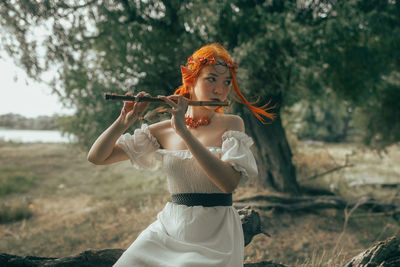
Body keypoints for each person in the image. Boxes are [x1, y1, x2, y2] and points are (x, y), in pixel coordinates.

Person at [87, 43, 275, 267]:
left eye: (227, 82)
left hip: (215, 233)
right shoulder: (162, 130)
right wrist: (122, 122)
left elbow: (228, 184)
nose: (220, 90)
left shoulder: (232, 124)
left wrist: (185, 133)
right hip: (169, 229)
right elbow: (97, 157)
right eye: (211, 79)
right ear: (190, 80)